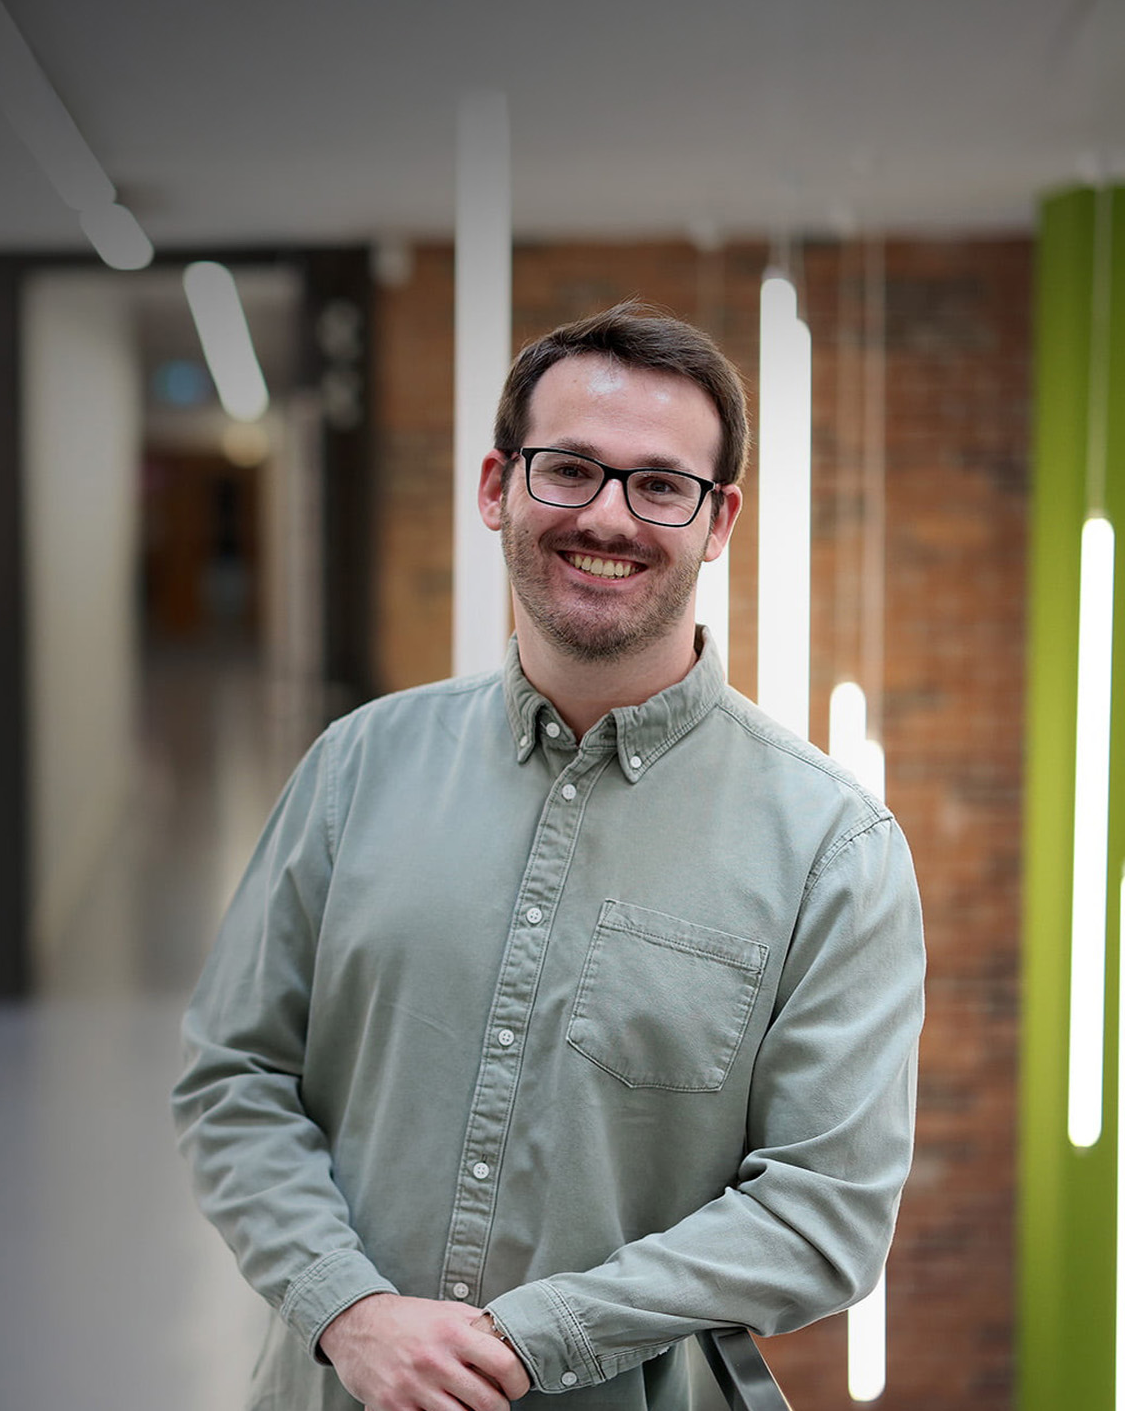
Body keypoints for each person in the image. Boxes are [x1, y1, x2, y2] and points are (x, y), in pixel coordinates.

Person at [171, 301, 924, 1411]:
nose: (610, 516)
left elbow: (826, 1209)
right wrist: (352, 1309)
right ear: (496, 488)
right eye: (569, 468)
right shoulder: (354, 769)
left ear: (719, 522)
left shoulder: (831, 848)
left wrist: (529, 1340)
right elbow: (235, 1077)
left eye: (661, 484)